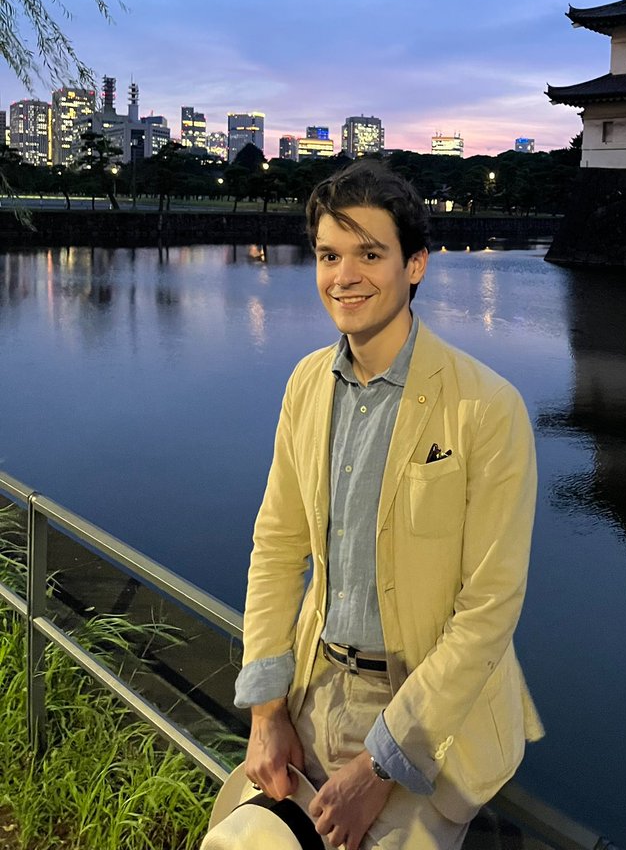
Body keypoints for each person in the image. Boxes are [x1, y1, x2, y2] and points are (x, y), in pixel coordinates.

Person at [234, 158, 543, 850]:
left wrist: (381, 765)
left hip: (431, 711)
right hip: (316, 682)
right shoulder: (307, 385)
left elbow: (489, 607)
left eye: (370, 254)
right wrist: (266, 705)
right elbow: (279, 546)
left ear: (416, 266)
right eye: (328, 255)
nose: (345, 277)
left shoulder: (485, 408)